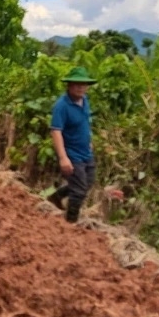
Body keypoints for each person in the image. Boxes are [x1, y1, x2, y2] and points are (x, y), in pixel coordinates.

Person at [48, 66, 97, 223]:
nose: (81, 87)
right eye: (77, 84)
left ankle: (56, 197)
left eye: (83, 85)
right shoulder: (61, 106)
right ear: (69, 85)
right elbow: (56, 131)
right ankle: (70, 223)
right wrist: (63, 158)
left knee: (88, 181)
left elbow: (85, 122)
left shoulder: (85, 101)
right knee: (79, 191)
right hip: (72, 154)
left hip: (85, 151)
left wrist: (89, 141)